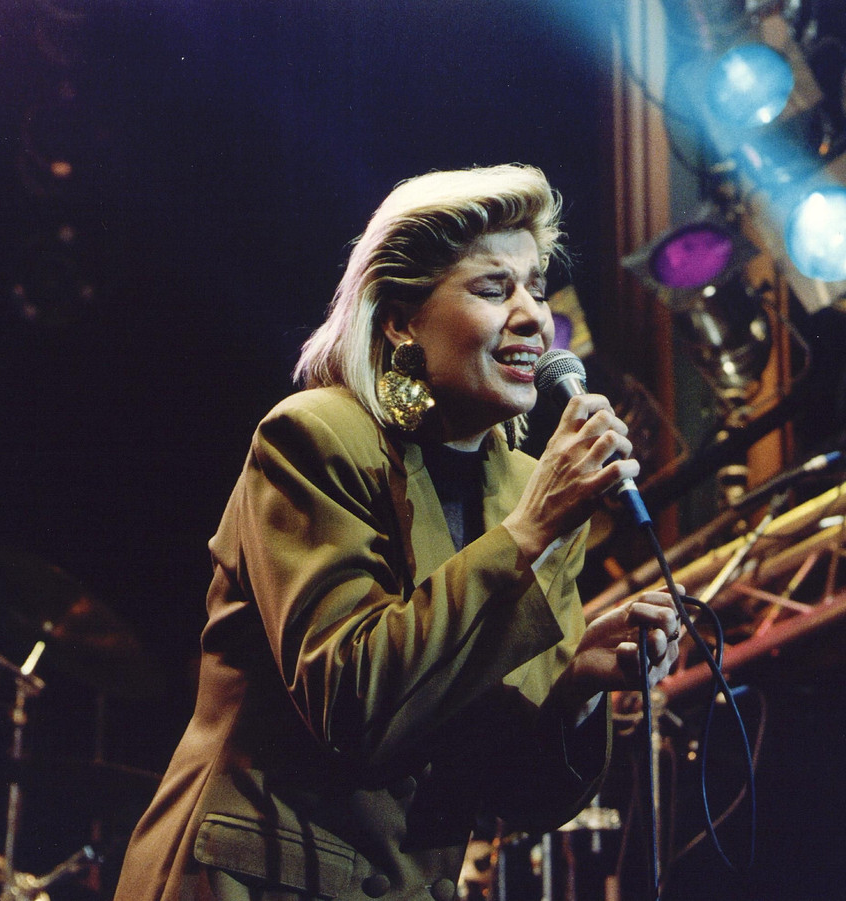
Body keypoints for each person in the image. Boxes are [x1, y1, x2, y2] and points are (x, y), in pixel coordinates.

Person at [113, 164, 681, 901]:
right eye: (492, 288)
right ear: (401, 318)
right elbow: (349, 700)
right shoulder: (315, 438)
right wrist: (530, 527)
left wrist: (576, 691)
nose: (533, 317)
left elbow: (515, 794)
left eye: (536, 287)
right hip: (258, 878)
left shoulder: (524, 486)